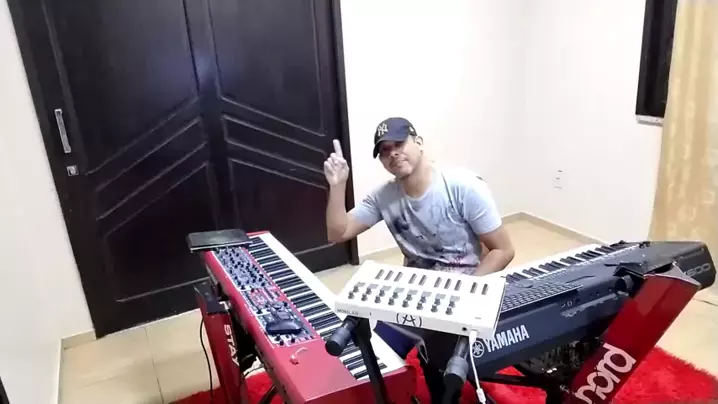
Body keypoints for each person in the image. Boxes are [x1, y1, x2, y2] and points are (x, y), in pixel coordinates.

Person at [324, 117, 515, 403]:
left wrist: (465, 293)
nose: (393, 153)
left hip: (460, 297)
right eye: (384, 150)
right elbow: (338, 233)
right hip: (413, 294)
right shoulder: (383, 196)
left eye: (399, 144)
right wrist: (338, 186)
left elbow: (503, 250)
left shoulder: (463, 186)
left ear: (419, 143)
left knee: (445, 382)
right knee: (374, 362)